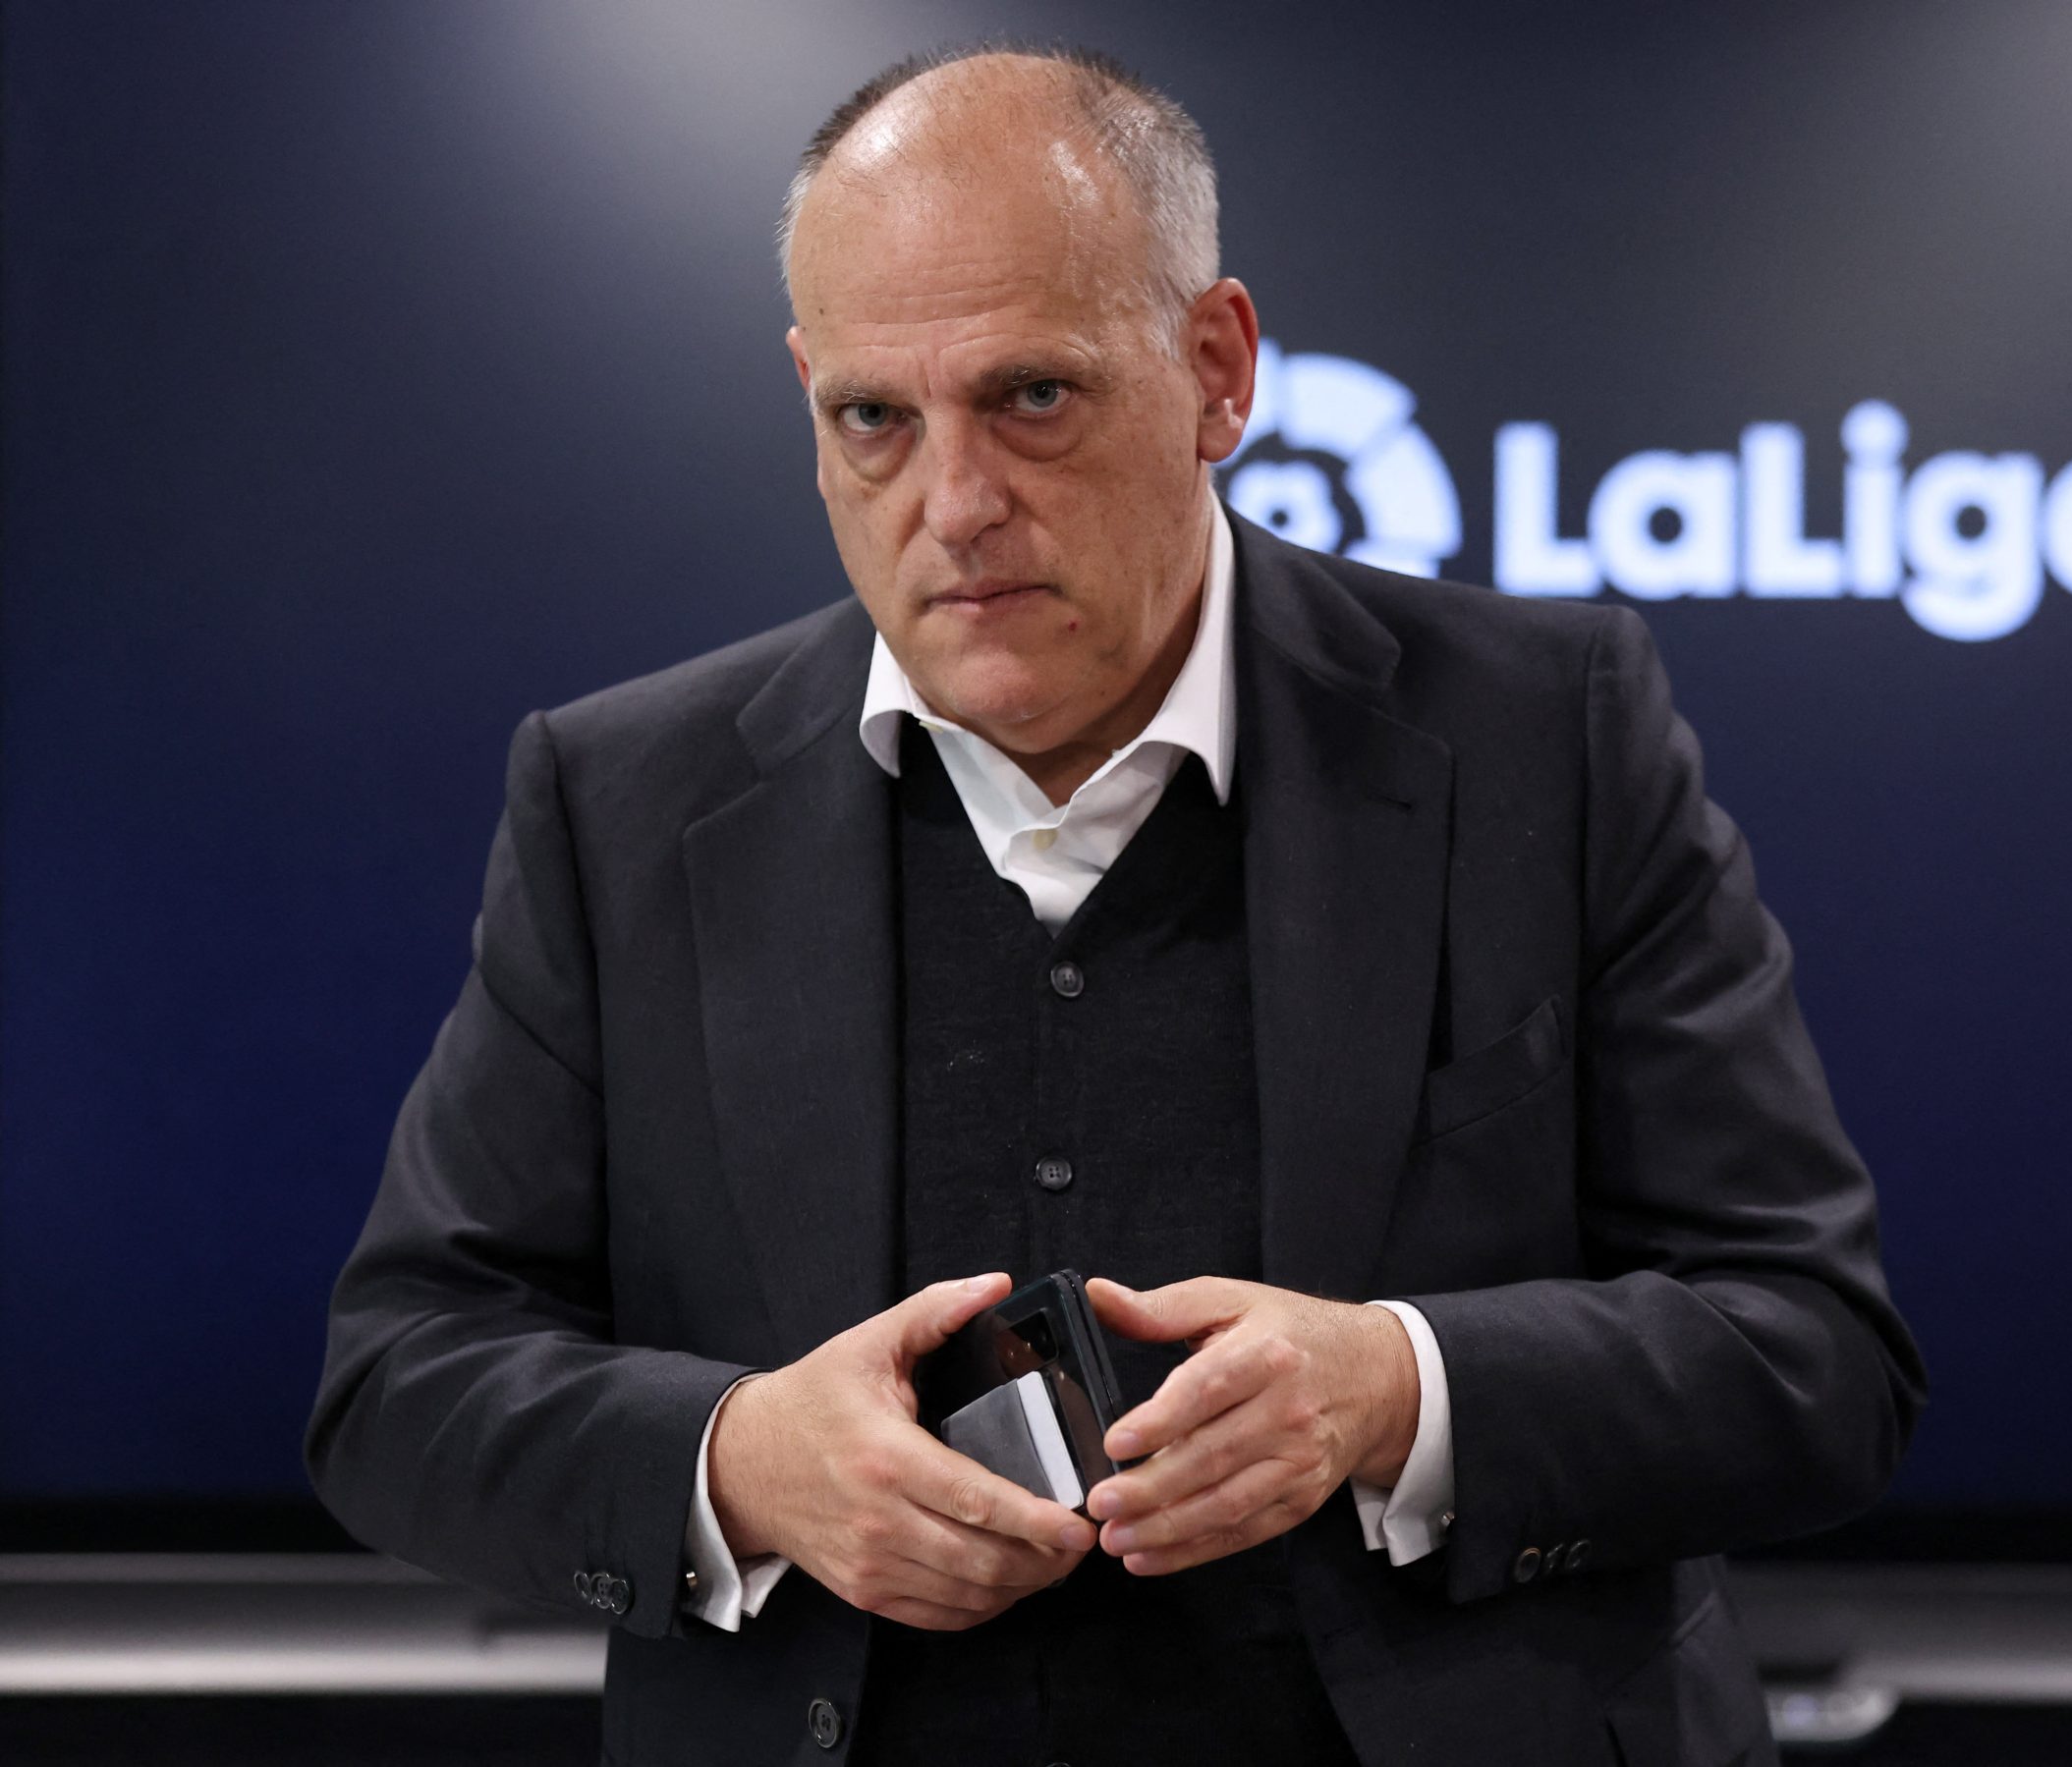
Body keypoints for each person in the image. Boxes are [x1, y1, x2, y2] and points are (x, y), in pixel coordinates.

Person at [307, 42, 1925, 1767]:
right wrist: (743, 1464)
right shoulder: (621, 800)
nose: (955, 506)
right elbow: (400, 1383)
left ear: (1216, 371)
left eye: (1032, 397)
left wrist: (1402, 1392)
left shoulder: (1548, 736)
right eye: (873, 419)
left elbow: (1815, 1352)